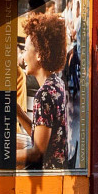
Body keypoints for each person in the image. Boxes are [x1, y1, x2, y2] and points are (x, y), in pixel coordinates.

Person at [16, 12, 74, 169]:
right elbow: (42, 137)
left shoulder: (45, 94)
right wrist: (19, 112)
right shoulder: (57, 84)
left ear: (40, 55)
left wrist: (3, 156)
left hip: (50, 180)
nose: (22, 57)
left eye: (25, 50)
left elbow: (38, 152)